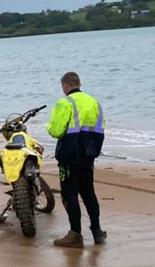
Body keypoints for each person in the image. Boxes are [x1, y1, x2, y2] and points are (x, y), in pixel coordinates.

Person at [46, 72, 107, 248]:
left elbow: (56, 131)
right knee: (88, 192)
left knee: (69, 193)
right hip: (89, 153)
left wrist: (48, 126)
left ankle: (75, 234)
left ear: (65, 86)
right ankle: (97, 231)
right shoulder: (94, 102)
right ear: (79, 83)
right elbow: (101, 126)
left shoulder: (65, 103)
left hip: (69, 154)